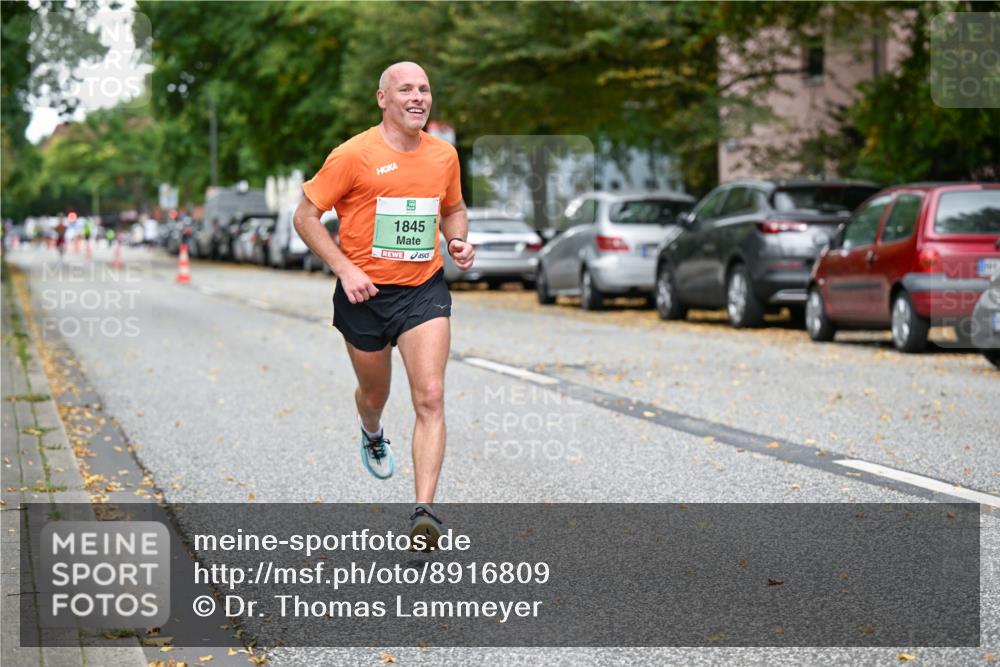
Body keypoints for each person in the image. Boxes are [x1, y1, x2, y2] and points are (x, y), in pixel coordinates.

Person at [294, 62, 474, 548]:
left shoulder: (444, 156)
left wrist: (457, 241)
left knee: (430, 395)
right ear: (383, 99)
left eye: (425, 89)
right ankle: (371, 430)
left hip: (423, 289)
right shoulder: (353, 155)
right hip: (365, 296)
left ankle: (425, 513)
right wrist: (345, 268)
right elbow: (306, 216)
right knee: (375, 395)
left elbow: (453, 209)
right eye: (406, 90)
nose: (418, 98)